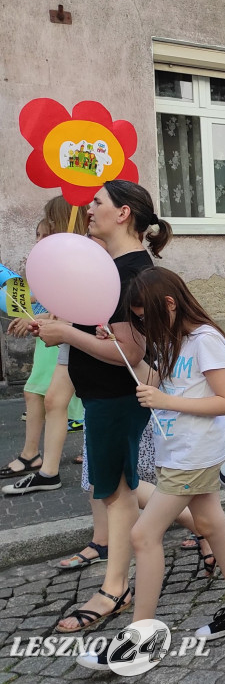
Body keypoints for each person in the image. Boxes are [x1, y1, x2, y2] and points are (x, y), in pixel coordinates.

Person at [76, 268, 225, 670]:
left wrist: (166, 401)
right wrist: (123, 352)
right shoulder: (174, 339)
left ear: (170, 304)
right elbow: (154, 380)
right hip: (179, 452)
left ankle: (140, 640)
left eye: (146, 317)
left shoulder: (205, 340)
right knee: (212, 524)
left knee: (143, 535)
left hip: (194, 454)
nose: (144, 325)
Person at [33, 181, 173, 633]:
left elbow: (130, 353)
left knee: (115, 493)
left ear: (124, 214)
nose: (88, 209)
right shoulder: (109, 267)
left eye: (97, 203)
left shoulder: (132, 274)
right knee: (121, 488)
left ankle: (115, 589)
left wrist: (67, 336)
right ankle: (206, 539)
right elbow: (98, 329)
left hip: (116, 398)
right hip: (100, 396)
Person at [1, 197, 89, 489]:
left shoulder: (80, 260)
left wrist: (37, 321)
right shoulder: (57, 261)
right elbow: (54, 303)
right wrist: (35, 317)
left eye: (46, 230)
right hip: (53, 335)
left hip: (65, 337)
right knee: (40, 395)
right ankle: (37, 461)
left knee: (59, 399)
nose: (40, 238)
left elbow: (75, 309)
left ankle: (43, 464)